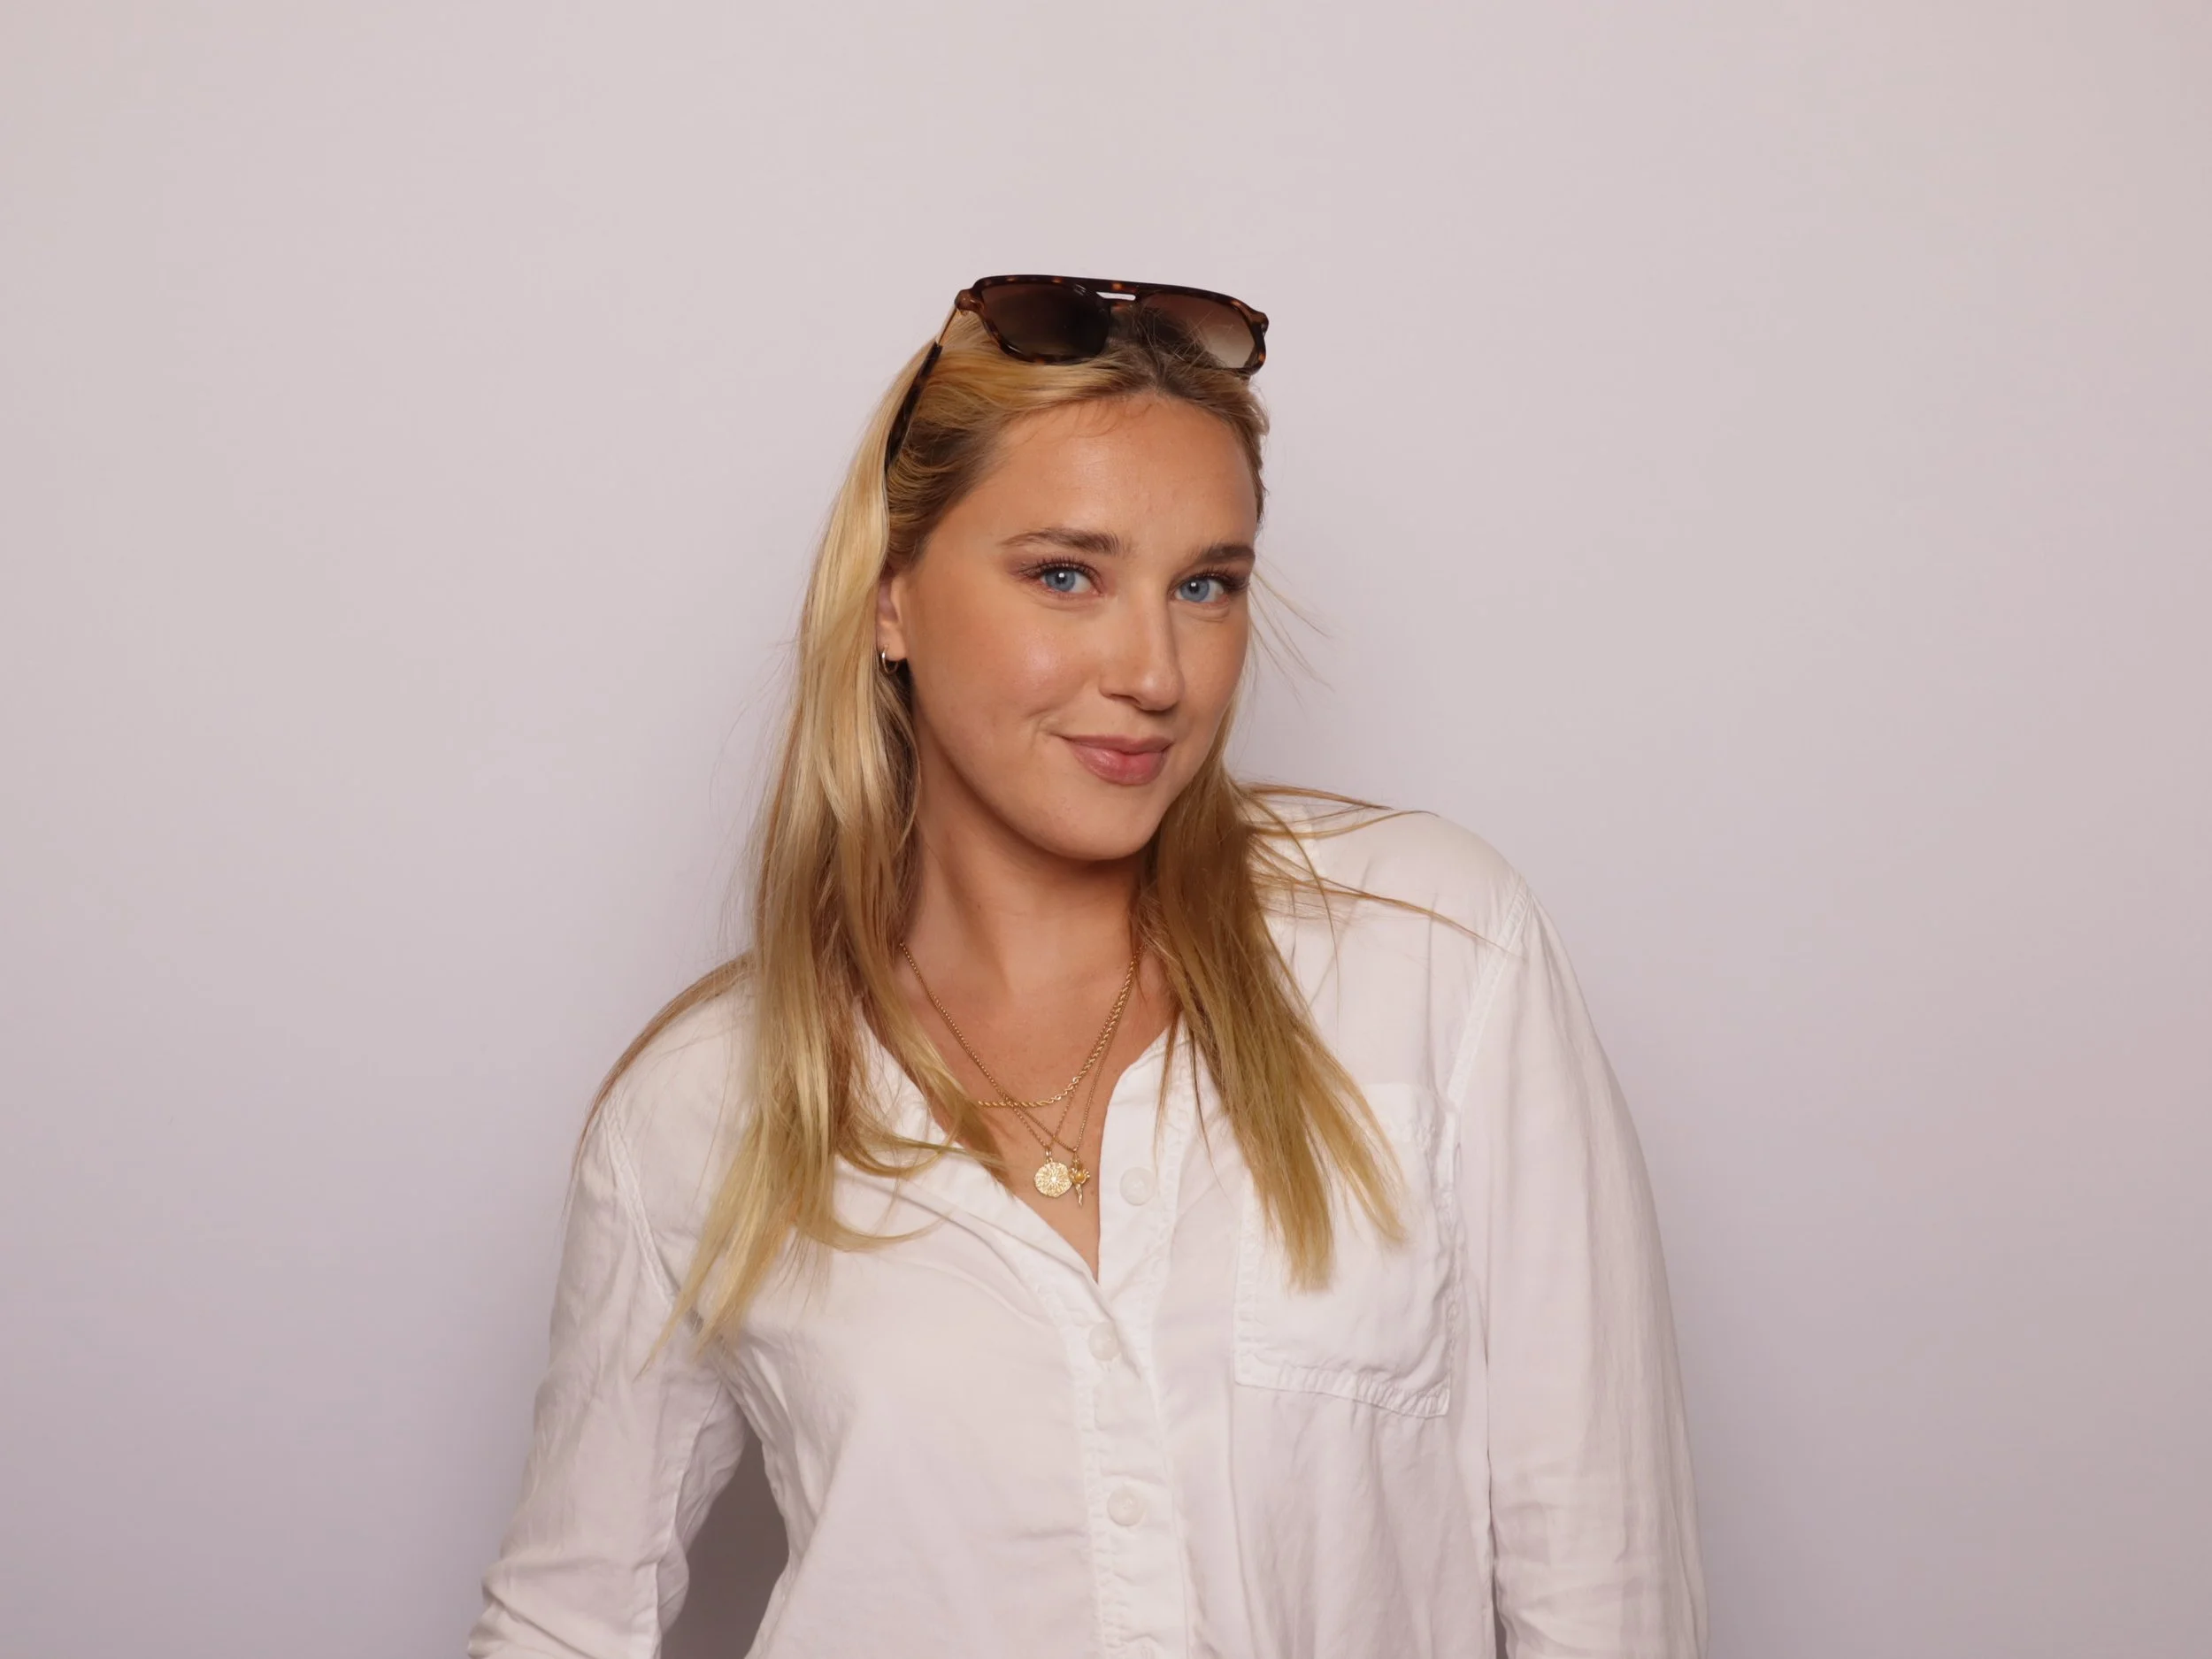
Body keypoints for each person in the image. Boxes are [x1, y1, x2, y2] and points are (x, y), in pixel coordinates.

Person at [465, 275, 1708, 1658]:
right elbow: (567, 1616)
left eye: (1207, 586)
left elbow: (1603, 1580)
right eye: (1066, 573)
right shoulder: (702, 1106)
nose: (1157, 669)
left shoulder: (1434, 949)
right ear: (891, 603)